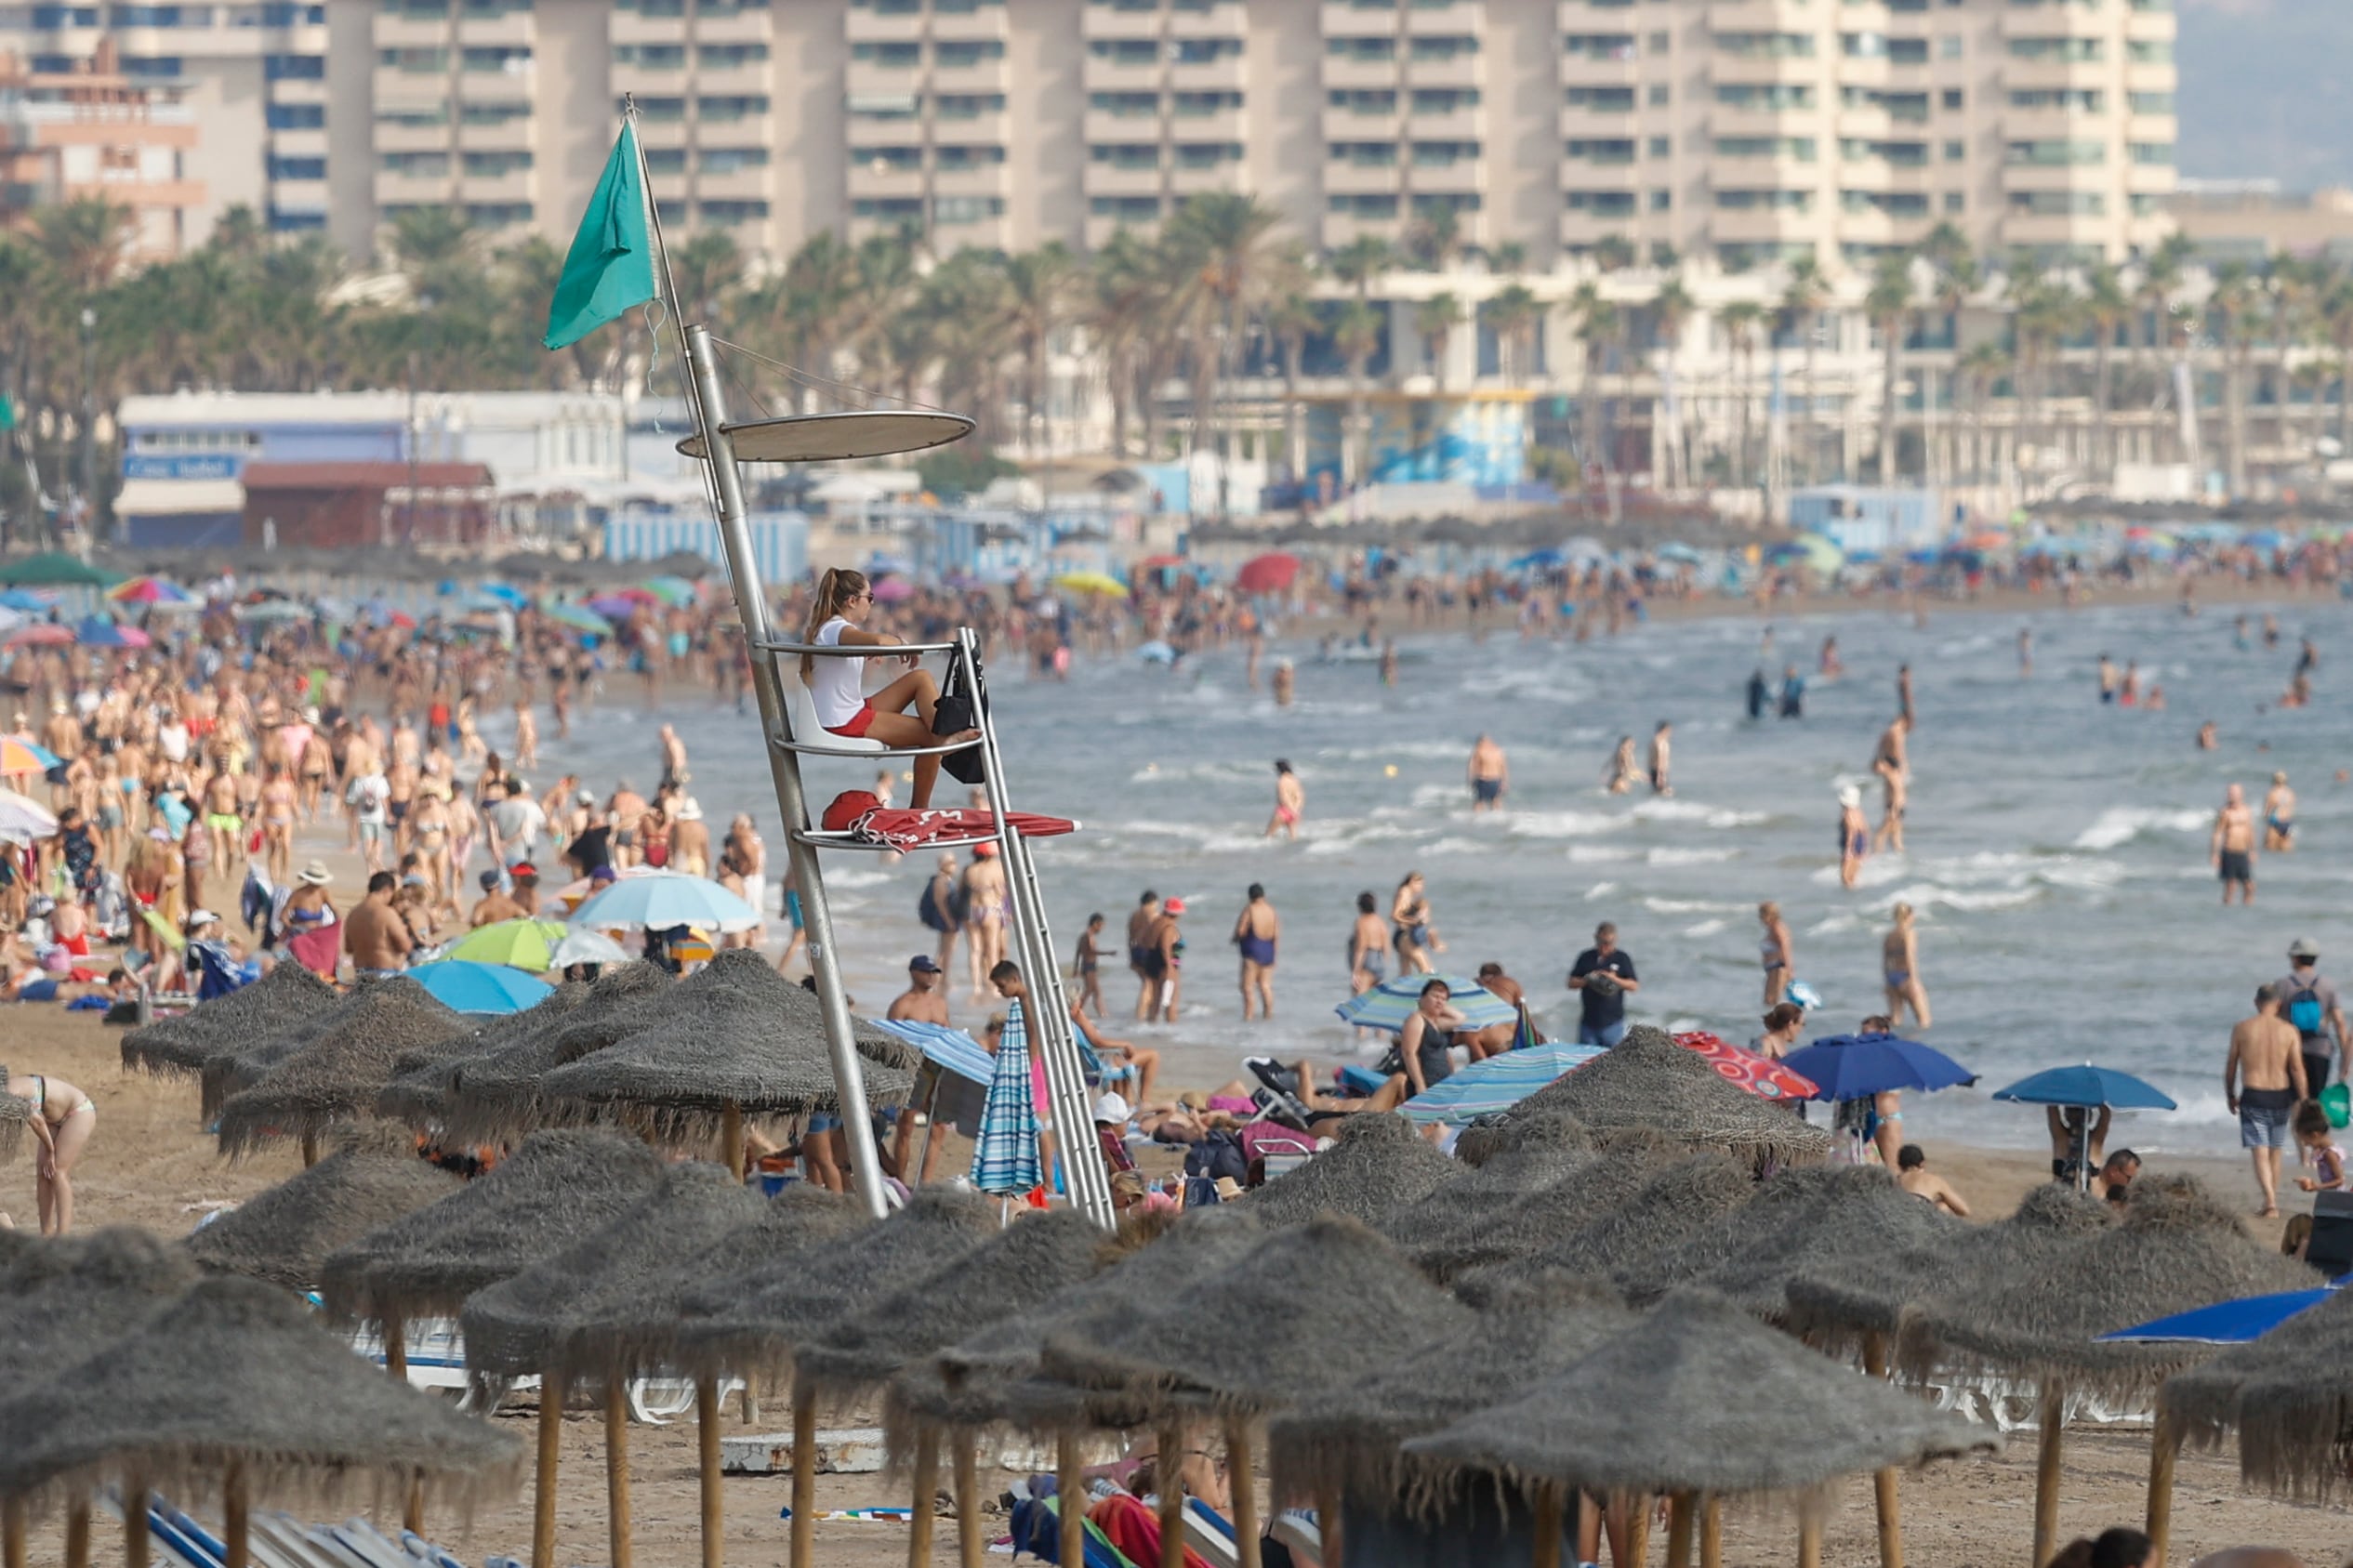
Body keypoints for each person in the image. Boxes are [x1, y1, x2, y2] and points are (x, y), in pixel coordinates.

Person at [800, 567, 979, 809]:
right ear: (852, 601)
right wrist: (901, 645)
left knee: (921, 678)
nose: (871, 604)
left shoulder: (835, 629)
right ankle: (921, 803)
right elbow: (878, 640)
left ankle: (943, 738)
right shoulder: (835, 628)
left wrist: (869, 653)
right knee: (928, 736)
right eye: (869, 598)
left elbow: (857, 651)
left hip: (852, 708)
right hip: (846, 719)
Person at [2227, 983, 2310, 1219]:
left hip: (2254, 1093)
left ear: (2256, 1002)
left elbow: (2232, 1064)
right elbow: (2297, 1068)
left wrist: (2230, 1093)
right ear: (2279, 1004)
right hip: (2281, 1095)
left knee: (2260, 1150)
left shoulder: (2242, 1028)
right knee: (2276, 1149)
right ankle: (2269, 1201)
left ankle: (2271, 1201)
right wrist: (2304, 1099)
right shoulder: (2289, 1030)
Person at [3, 1069, 94, 1233]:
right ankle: (46, 1233)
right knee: (43, 1173)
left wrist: (51, 1151)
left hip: (78, 1112)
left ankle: (62, 1237)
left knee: (58, 1171)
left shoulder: (8, 1096)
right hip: (51, 1119)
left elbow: (36, 1123)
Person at [2276, 937, 2346, 1097]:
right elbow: (2340, 1023)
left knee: (2292, 1101)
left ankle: (2294, 1121)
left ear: (2295, 958)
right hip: (2320, 1049)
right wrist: (2345, 1059)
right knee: (2315, 1102)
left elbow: (2273, 1021)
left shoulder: (2282, 984)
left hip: (2289, 1050)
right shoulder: (2328, 985)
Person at [1567, 922, 1639, 1048]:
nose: (1604, 947)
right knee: (1587, 1061)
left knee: (1613, 1061)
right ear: (1596, 938)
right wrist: (1588, 979)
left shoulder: (1621, 958)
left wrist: (1614, 978)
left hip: (1613, 1023)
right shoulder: (1586, 957)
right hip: (1589, 1022)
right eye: (1601, 942)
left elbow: (1634, 986)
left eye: (1608, 943)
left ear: (1615, 940)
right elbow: (1571, 983)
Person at [1398, 977, 1466, 1096]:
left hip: (1443, 1081)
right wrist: (1420, 1085)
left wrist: (1439, 1004)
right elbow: (1409, 1053)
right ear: (1423, 997)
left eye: (1444, 999)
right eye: (1435, 996)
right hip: (1426, 1081)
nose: (1439, 1001)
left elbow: (1460, 1018)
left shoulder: (1437, 1022)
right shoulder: (1416, 1019)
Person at [344, 870, 415, 981]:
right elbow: (406, 946)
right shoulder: (387, 913)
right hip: (385, 973)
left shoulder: (353, 913)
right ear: (387, 890)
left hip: (361, 975)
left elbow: (348, 948)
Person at [1232, 883, 1278, 1021]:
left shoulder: (1250, 909)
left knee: (1247, 987)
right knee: (1265, 986)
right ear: (1263, 895)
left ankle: (1248, 1016)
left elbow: (1241, 930)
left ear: (1250, 896)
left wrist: (1235, 939)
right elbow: (1276, 935)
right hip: (1268, 950)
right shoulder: (1272, 911)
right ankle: (1268, 1015)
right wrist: (1274, 955)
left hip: (1253, 949)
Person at [1883, 903, 1930, 1028]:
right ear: (1908, 916)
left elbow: (1886, 961)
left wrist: (1887, 982)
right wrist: (1914, 980)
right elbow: (1910, 957)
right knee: (1924, 1021)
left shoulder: (1889, 936)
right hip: (1907, 977)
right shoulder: (1909, 933)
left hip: (1892, 978)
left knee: (1896, 1021)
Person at [2211, 782, 2257, 905]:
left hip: (2242, 851)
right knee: (2231, 886)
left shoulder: (2246, 811)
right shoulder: (2225, 812)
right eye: (2230, 793)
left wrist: (2253, 850)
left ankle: (2247, 909)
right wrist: (2215, 853)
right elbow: (2218, 833)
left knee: (2249, 886)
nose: (2232, 795)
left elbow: (2250, 832)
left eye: (2235, 793)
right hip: (2229, 851)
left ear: (2241, 795)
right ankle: (2227, 910)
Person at [1871, 714, 1910, 854]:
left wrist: (1893, 809)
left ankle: (1882, 854)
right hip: (1895, 806)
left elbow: (1898, 792)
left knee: (1886, 834)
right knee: (1893, 835)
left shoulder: (1892, 774)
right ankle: (1889, 854)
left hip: (1893, 806)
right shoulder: (1890, 775)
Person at [1895, 1144, 1971, 1216]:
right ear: (1922, 1164)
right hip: (1921, 1214)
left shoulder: (1894, 1180)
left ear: (1899, 1165)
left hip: (1899, 1214)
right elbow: (1964, 1210)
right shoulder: (1933, 1180)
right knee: (1942, 1206)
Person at [2047, 1105, 2112, 1188]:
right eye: (2073, 1111)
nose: (2077, 1116)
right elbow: (2105, 1115)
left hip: (2086, 1198)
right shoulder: (2061, 1138)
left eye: (2079, 1112)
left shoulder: (2061, 1138)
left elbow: (2052, 1108)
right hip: (2064, 1197)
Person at [2292, 1100, 2346, 1196]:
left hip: (2336, 1197)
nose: (2306, 1145)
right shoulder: (2324, 1151)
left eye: (2306, 1141)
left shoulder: (2330, 1154)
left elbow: (2340, 1180)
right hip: (2329, 1194)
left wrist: (2317, 1187)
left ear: (2315, 1135)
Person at [1391, 871, 1440, 974]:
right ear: (1412, 882)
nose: (1421, 887)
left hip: (1402, 936)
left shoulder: (1408, 895)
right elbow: (1394, 916)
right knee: (1427, 971)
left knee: (1405, 974)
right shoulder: (1404, 892)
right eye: (1419, 884)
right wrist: (1414, 922)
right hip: (1405, 937)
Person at [1127, 889, 1163, 1022]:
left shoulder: (1134, 915)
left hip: (1136, 950)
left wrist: (1131, 957)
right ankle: (1141, 1016)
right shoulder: (1153, 914)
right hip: (1147, 951)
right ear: (1153, 902)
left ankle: (1145, 1015)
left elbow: (1130, 938)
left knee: (1147, 984)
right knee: (1149, 985)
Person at [1149, 896, 1184, 1022]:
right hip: (1168, 965)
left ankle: (1150, 1025)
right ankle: (1171, 1028)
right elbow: (1165, 946)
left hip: (1155, 963)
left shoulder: (1157, 922)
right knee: (1172, 1000)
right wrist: (1169, 966)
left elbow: (1143, 940)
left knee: (1157, 998)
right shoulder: (1169, 927)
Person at [1757, 901, 1792, 1007]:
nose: (1760, 919)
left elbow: (1785, 948)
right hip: (1772, 969)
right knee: (1768, 1002)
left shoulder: (1778, 929)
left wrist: (1789, 968)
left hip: (1778, 968)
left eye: (1762, 915)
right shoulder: (1772, 929)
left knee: (1773, 1001)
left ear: (1771, 915)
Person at [1072, 913, 1107, 1018]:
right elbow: (1092, 951)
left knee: (1096, 991)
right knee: (1090, 991)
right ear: (1095, 924)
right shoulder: (1089, 936)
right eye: (1101, 925)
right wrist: (1108, 953)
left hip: (1086, 966)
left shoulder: (1083, 936)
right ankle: (1076, 1010)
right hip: (1090, 967)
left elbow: (1078, 953)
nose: (1101, 929)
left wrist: (1076, 967)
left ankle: (1102, 1014)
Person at [1837, 784, 1870, 889]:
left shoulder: (1848, 814)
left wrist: (1848, 850)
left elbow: (1851, 832)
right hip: (1860, 842)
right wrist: (1864, 848)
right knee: (1853, 877)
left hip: (1851, 844)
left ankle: (1846, 900)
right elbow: (1865, 830)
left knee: (1845, 877)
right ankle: (1853, 900)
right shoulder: (1858, 812)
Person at [1467, 733, 1508, 812]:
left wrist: (1471, 780)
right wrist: (1505, 782)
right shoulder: (1498, 751)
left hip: (1483, 780)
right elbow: (1504, 767)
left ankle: (1476, 821)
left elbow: (1471, 766)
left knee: (1479, 802)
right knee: (1496, 802)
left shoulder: (1478, 750)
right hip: (1496, 780)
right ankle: (1498, 819)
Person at [1265, 759, 1303, 840]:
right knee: (1293, 838)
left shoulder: (1281, 781)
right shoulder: (1294, 780)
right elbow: (1300, 797)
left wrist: (1291, 810)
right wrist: (1296, 810)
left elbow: (1284, 798)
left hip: (1283, 811)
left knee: (1268, 835)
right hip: (1295, 811)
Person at [2263, 771, 2296, 852]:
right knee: (2286, 851)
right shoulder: (2290, 793)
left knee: (2270, 849)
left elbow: (2266, 811)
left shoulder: (2272, 793)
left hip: (2275, 821)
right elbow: (2292, 809)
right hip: (2287, 822)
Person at [1646, 720, 1672, 797]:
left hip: (1653, 770)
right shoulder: (1661, 742)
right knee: (1666, 793)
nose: (1670, 733)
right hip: (1660, 771)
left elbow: (1650, 759)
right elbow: (1661, 758)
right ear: (1664, 730)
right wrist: (1661, 776)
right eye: (1669, 730)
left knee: (1657, 793)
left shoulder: (1653, 741)